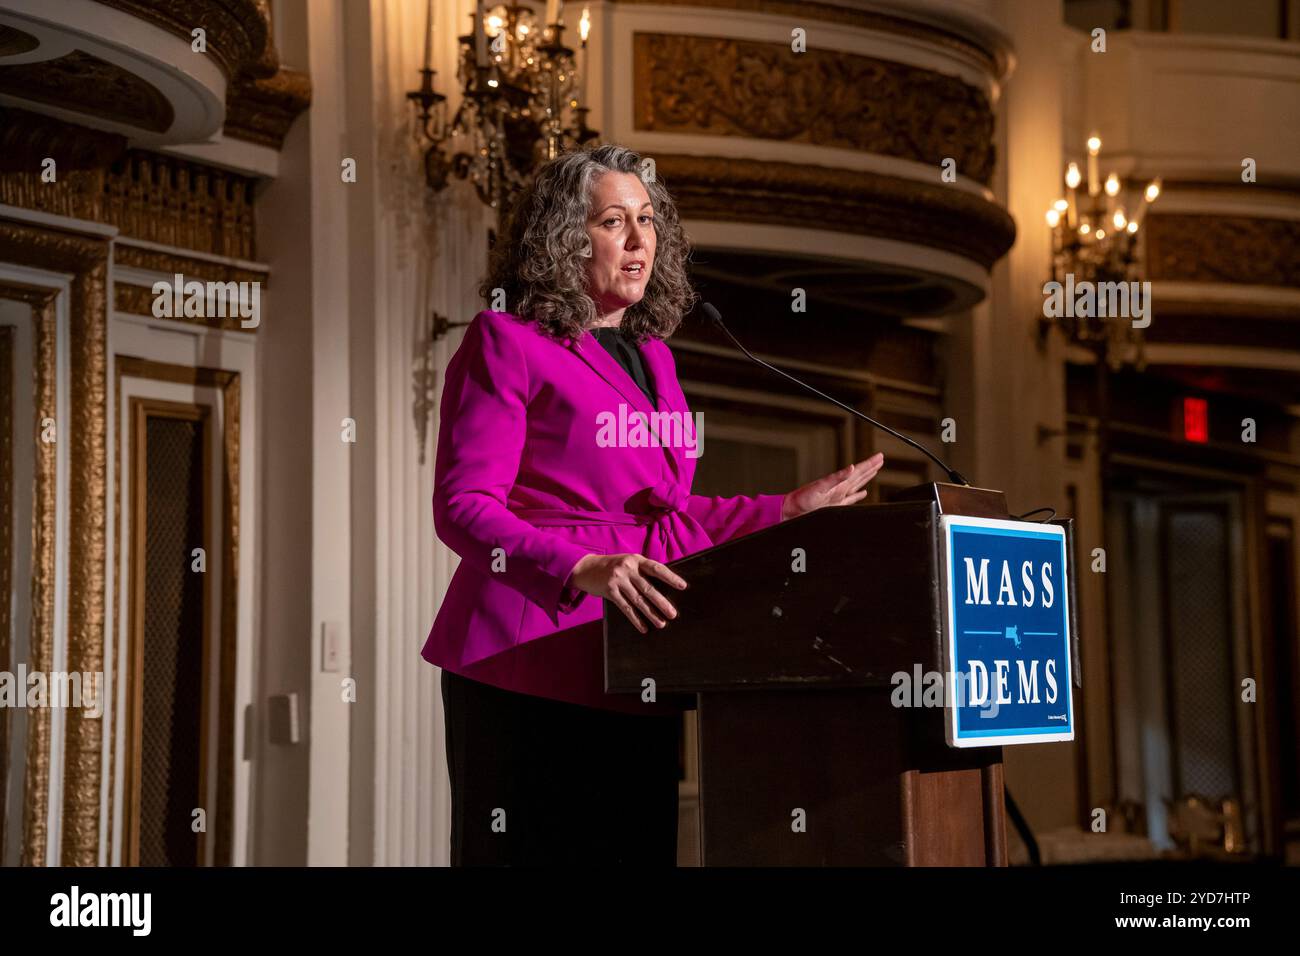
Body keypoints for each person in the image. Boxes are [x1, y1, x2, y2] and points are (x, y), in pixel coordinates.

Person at [422, 143, 884, 866]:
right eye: (614, 221)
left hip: (643, 657)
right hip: (528, 658)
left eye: (648, 219)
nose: (640, 240)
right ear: (565, 238)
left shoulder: (654, 357)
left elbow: (669, 515)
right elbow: (463, 506)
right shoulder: (505, 341)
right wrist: (581, 566)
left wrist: (788, 509)